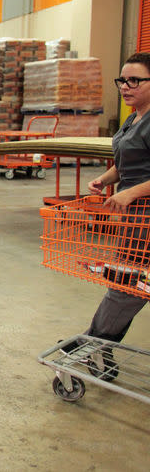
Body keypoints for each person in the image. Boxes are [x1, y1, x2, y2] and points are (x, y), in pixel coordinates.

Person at [73, 52, 150, 347]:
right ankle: (100, 343)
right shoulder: (134, 118)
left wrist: (130, 192)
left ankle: (93, 343)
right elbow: (127, 161)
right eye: (122, 80)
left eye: (135, 80)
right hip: (134, 216)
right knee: (128, 281)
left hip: (145, 216)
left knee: (126, 282)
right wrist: (105, 179)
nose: (126, 87)